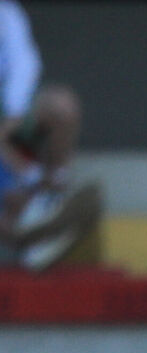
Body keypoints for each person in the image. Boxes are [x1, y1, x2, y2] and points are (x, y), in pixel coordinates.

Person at [0, 0, 99, 272]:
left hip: (12, 135)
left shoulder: (7, 14)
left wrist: (14, 116)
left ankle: (48, 202)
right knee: (11, 204)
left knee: (61, 106)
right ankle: (34, 230)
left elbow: (26, 64)